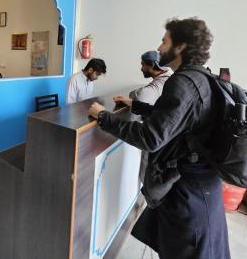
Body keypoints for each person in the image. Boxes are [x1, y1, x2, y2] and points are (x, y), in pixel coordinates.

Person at [88, 18, 230, 259]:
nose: (160, 46)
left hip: (188, 197)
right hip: (202, 191)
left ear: (181, 46)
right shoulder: (202, 78)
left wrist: (103, 117)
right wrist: (137, 106)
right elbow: (177, 119)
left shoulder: (182, 82)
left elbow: (151, 137)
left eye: (165, 41)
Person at [130, 50, 173, 182]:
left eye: (143, 64)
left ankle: (144, 201)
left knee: (147, 177)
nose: (141, 68)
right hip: (165, 139)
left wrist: (133, 95)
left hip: (157, 140)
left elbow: (141, 96)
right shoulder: (169, 75)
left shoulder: (161, 83)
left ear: (153, 66)